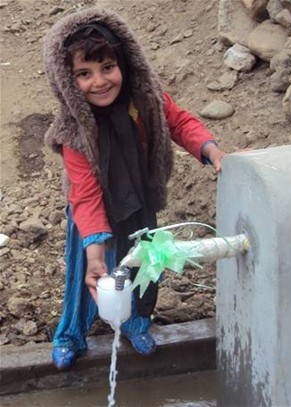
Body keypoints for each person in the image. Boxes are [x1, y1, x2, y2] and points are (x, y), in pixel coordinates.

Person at [43, 7, 225, 371]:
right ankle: (71, 334)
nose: (99, 81)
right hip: (90, 214)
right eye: (83, 73)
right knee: (88, 278)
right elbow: (86, 193)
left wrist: (210, 150)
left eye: (107, 67)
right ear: (66, 79)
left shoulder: (144, 100)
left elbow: (179, 121)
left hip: (138, 201)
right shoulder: (73, 132)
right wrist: (95, 252)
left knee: (144, 267)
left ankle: (137, 322)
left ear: (124, 62)